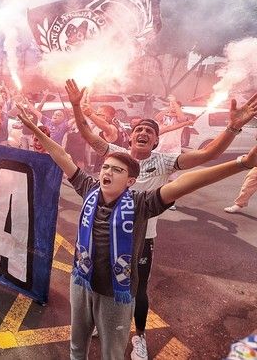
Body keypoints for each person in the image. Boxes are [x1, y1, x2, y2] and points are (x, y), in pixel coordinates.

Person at [17, 104, 257, 360]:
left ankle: (138, 335)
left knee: (112, 353)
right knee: (77, 347)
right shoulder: (89, 188)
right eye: (105, 167)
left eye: (117, 170)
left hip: (115, 293)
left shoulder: (142, 204)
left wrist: (242, 163)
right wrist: (38, 132)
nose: (108, 172)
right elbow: (62, 156)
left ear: (130, 181)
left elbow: (187, 182)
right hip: (81, 282)